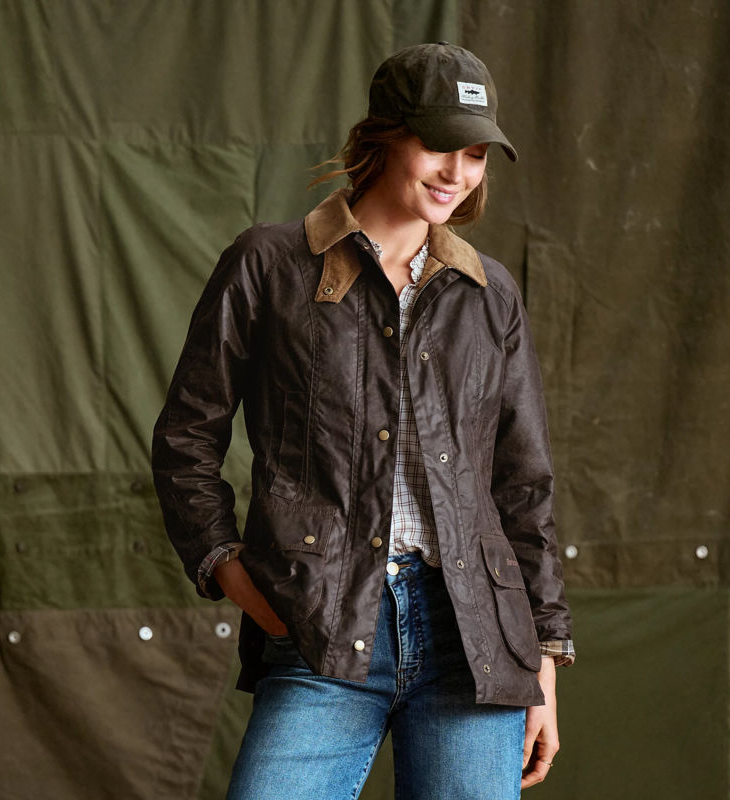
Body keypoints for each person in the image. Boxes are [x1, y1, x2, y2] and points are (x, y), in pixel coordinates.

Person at [152, 42, 573, 800]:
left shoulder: (490, 294)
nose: (458, 173)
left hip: (474, 641)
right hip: (321, 624)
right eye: (439, 146)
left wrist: (541, 660)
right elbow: (185, 441)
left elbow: (523, 486)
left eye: (476, 154)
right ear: (384, 135)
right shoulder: (269, 266)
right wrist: (237, 577)